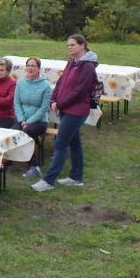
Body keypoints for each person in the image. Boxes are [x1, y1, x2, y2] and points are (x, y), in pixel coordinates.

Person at [32, 34, 98, 192]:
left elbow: (79, 91)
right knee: (75, 143)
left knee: (60, 144)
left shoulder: (87, 66)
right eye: (68, 45)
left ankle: (48, 181)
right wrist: (54, 98)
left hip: (77, 111)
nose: (69, 48)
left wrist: (60, 103)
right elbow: (61, 82)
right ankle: (76, 177)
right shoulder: (72, 62)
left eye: (72, 45)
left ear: (82, 46)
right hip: (65, 109)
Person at [14, 57, 52, 179]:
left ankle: (34, 166)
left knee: (25, 133)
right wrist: (21, 120)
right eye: (28, 65)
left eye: (33, 66)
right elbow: (17, 103)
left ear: (38, 69)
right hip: (22, 119)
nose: (30, 68)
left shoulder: (46, 86)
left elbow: (44, 108)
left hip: (39, 121)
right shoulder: (20, 82)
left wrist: (28, 122)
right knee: (11, 133)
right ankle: (8, 160)